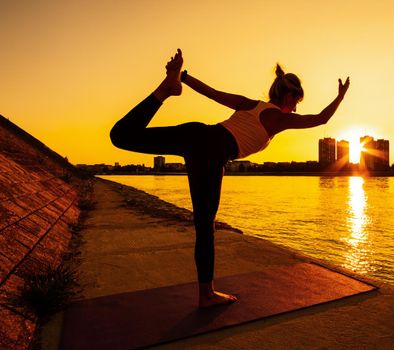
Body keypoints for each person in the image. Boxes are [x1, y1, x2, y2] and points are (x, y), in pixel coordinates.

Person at [110, 49, 350, 308]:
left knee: (122, 136)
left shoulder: (251, 104)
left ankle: (164, 91)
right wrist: (340, 97)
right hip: (210, 152)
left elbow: (212, 93)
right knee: (205, 228)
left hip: (197, 135)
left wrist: (184, 77)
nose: (296, 107)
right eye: (297, 101)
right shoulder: (280, 118)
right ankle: (207, 295)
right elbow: (321, 118)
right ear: (290, 96)